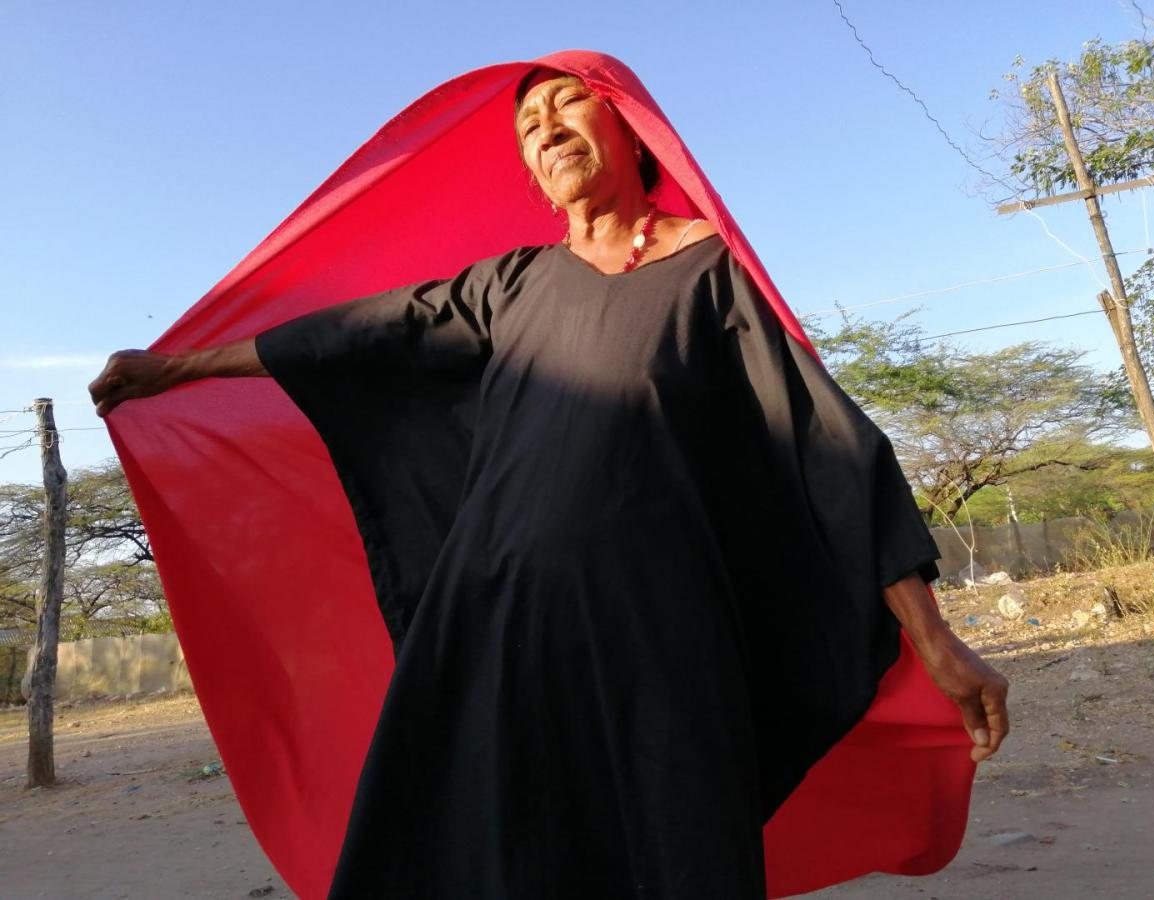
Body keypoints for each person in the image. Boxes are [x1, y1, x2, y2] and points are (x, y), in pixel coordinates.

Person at [89, 57, 1008, 899]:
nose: (548, 128)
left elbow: (830, 449)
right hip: (494, 634)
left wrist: (933, 639)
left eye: (568, 103)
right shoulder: (511, 286)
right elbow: (356, 336)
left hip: (658, 643)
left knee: (673, 854)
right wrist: (176, 370)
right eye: (529, 125)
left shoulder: (709, 272)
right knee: (481, 857)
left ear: (630, 129)